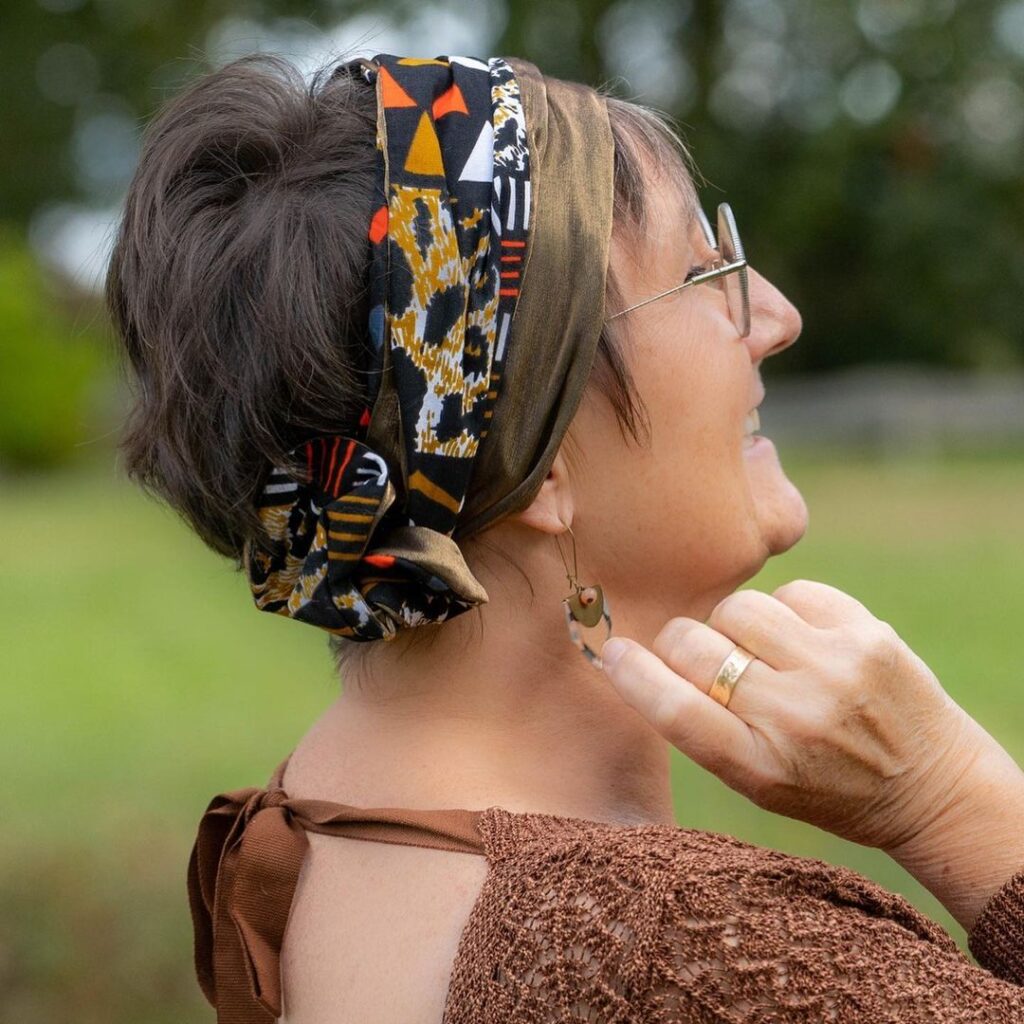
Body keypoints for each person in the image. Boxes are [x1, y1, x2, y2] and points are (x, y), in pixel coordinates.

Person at [105, 49, 1024, 1023]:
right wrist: (949, 801)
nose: (778, 319)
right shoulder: (708, 960)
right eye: (702, 272)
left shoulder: (317, 818)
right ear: (539, 456)